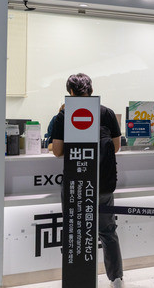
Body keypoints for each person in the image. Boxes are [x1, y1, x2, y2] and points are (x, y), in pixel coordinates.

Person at [50, 73, 124, 288]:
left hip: (77, 185)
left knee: (76, 230)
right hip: (103, 182)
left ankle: (78, 278)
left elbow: (57, 151)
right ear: (91, 90)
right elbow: (116, 146)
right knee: (108, 231)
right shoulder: (107, 113)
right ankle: (116, 278)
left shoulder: (64, 116)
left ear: (70, 92)